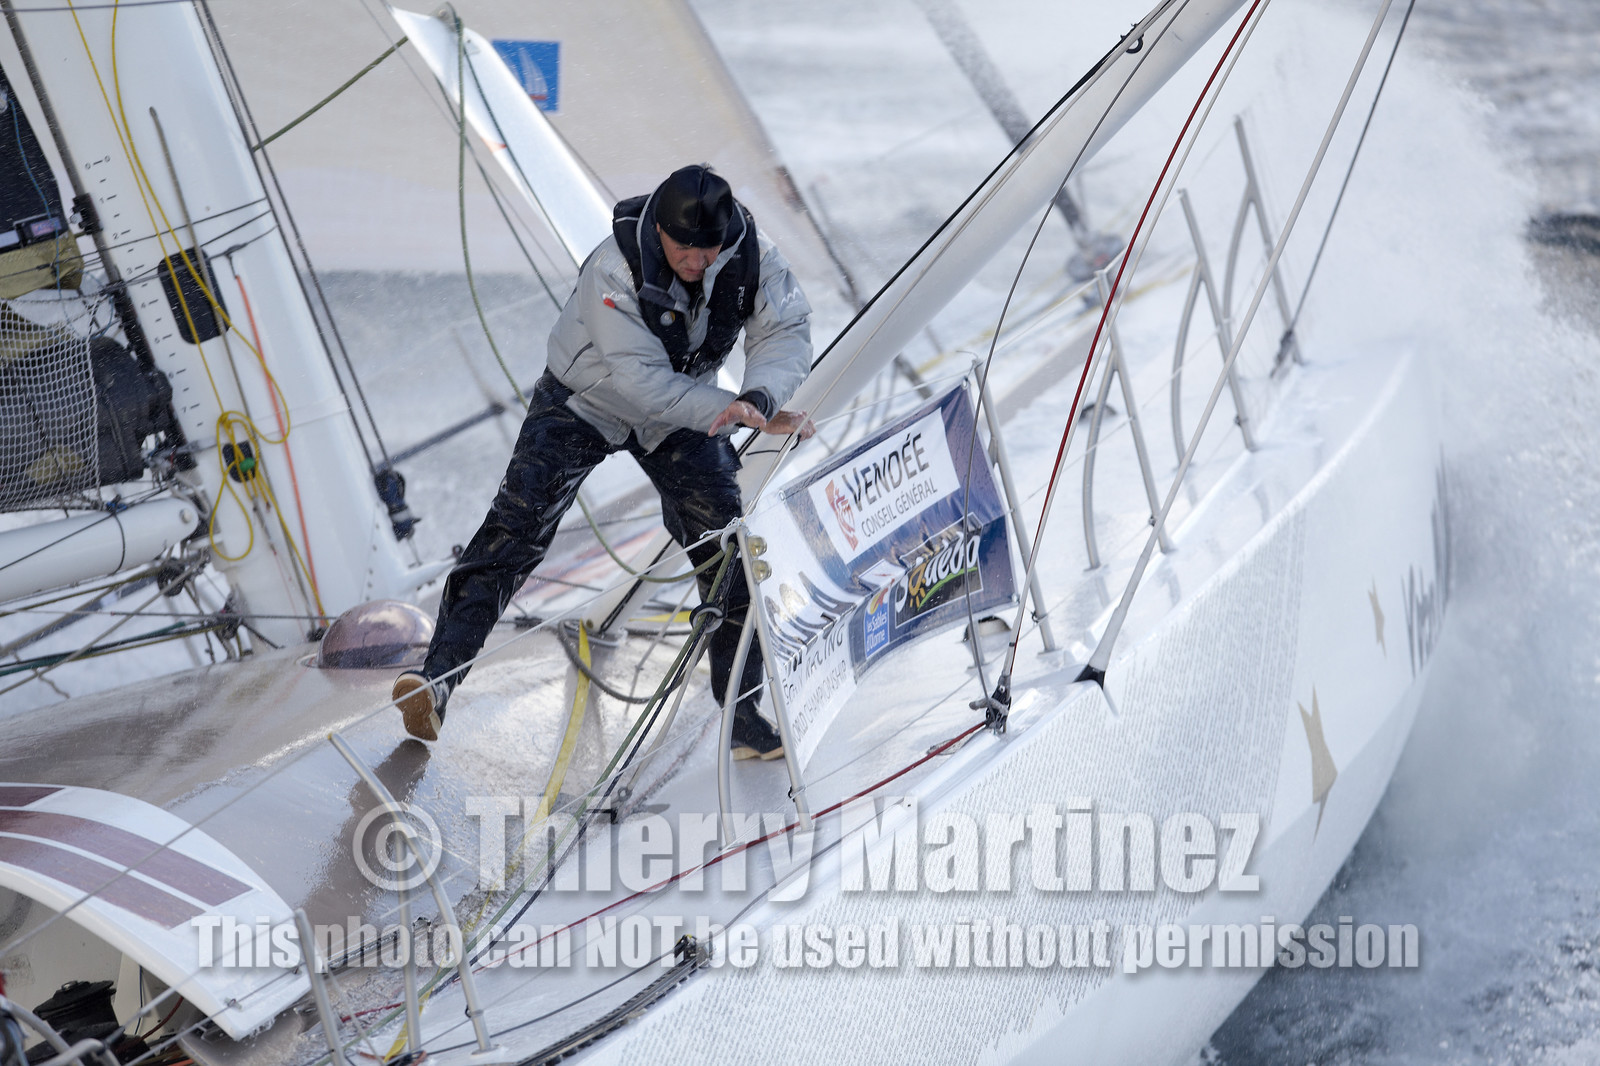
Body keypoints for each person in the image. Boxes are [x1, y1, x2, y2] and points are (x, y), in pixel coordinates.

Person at [393, 164, 814, 760]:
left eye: (708, 250)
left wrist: (759, 397)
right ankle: (434, 683)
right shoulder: (612, 269)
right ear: (659, 232)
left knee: (727, 547)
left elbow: (787, 330)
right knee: (514, 532)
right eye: (682, 250)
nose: (697, 263)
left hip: (685, 411)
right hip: (585, 400)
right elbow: (642, 385)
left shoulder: (751, 254)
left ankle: (742, 714)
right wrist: (740, 411)